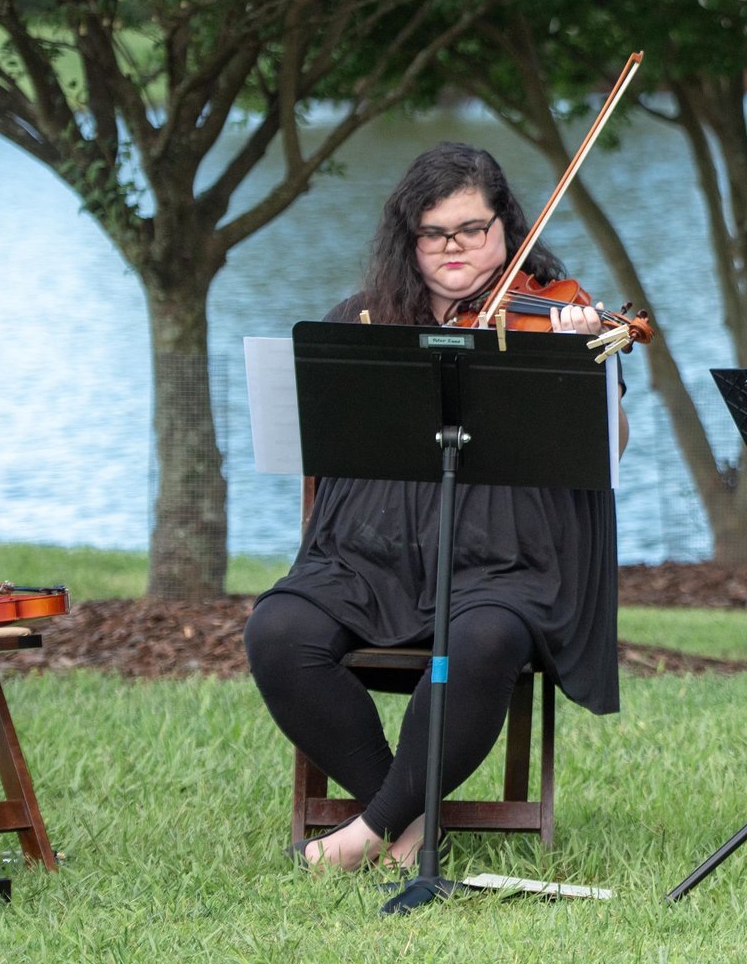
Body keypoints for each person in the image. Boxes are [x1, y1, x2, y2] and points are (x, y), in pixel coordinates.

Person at [246, 142, 623, 871]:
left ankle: (366, 833)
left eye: (472, 230)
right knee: (278, 630)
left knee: (482, 640)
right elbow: (317, 441)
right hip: (367, 552)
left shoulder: (555, 314)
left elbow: (612, 444)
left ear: (506, 227)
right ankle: (407, 821)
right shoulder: (362, 321)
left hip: (505, 559)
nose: (454, 248)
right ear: (408, 238)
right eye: (433, 233)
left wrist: (581, 371)